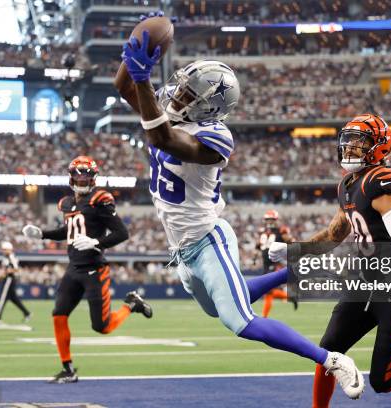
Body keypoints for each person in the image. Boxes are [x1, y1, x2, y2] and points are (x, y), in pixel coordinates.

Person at [114, 21, 365, 400]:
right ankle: (294, 270)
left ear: (208, 107)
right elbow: (124, 88)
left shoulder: (215, 138)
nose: (177, 96)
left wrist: (143, 77)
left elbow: (161, 136)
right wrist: (131, 55)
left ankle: (331, 360)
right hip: (183, 249)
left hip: (208, 239)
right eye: (180, 88)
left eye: (187, 95)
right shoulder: (170, 108)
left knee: (239, 320)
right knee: (222, 305)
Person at [269, 113, 391, 406]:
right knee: (329, 352)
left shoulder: (380, 181)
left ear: (379, 147)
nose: (349, 149)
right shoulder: (348, 185)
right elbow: (334, 234)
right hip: (363, 283)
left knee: (383, 381)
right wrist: (294, 251)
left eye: (358, 143)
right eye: (347, 142)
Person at [22, 156, 153, 384]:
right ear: (71, 177)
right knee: (58, 315)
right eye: (78, 175)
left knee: (101, 327)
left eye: (86, 176)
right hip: (74, 269)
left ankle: (132, 304)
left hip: (95, 269)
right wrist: (43, 234)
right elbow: (68, 230)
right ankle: (68, 369)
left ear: (93, 178)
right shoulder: (67, 203)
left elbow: (122, 233)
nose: (82, 180)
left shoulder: (99, 199)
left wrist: (97, 243)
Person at [256, 210, 296, 317]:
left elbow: (292, 242)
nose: (269, 221)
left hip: (274, 264)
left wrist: (288, 238)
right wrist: (255, 258)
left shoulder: (280, 231)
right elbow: (259, 247)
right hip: (266, 264)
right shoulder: (263, 232)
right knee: (268, 291)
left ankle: (264, 317)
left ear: (275, 220)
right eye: (267, 219)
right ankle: (289, 297)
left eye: (271, 219)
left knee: (267, 290)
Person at [0, 241, 31, 324]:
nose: (3, 251)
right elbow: (5, 271)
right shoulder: (7, 258)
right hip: (8, 279)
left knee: (2, 298)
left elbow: (16, 269)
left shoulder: (11, 257)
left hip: (9, 279)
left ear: (10, 250)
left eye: (5, 249)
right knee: (14, 299)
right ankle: (27, 313)